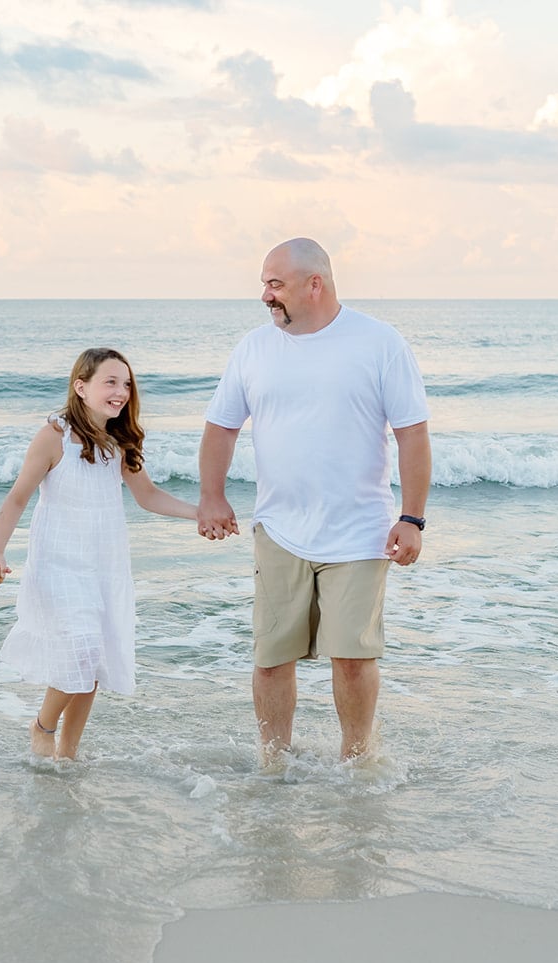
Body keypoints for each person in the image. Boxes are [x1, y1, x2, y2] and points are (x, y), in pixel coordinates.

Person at [197, 238, 432, 763]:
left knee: (352, 658)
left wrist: (412, 518)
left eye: (275, 284)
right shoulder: (254, 348)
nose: (265, 295)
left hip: (360, 532)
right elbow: (221, 427)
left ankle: (357, 763)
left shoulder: (379, 342)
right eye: (264, 284)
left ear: (314, 284)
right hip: (279, 530)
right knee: (271, 658)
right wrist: (212, 496)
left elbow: (412, 433)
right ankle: (274, 762)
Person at [0, 348, 199, 760]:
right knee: (81, 650)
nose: (121, 392)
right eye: (110, 382)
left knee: (94, 661)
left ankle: (68, 752)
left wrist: (200, 514)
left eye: (126, 384)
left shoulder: (119, 441)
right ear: (81, 387)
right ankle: (42, 726)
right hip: (58, 565)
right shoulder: (55, 437)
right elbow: (17, 498)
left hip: (104, 565)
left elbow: (148, 496)